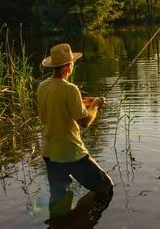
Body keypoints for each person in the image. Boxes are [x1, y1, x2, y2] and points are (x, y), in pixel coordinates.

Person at [37, 43, 113, 204]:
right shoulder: (70, 89)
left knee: (59, 198)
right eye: (72, 63)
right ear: (68, 66)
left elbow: (54, 109)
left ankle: (60, 225)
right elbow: (84, 122)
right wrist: (96, 105)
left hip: (50, 153)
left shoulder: (42, 86)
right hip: (71, 153)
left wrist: (83, 103)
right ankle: (81, 225)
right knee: (105, 187)